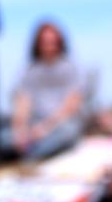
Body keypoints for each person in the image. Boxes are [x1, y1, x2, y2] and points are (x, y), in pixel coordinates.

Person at [10, 21, 84, 160]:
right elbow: (23, 103)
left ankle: (32, 156)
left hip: (59, 124)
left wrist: (45, 128)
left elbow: (71, 107)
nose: (49, 46)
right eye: (45, 42)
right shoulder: (29, 70)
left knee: (67, 132)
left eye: (53, 42)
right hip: (35, 125)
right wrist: (20, 130)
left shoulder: (70, 69)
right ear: (37, 44)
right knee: (3, 136)